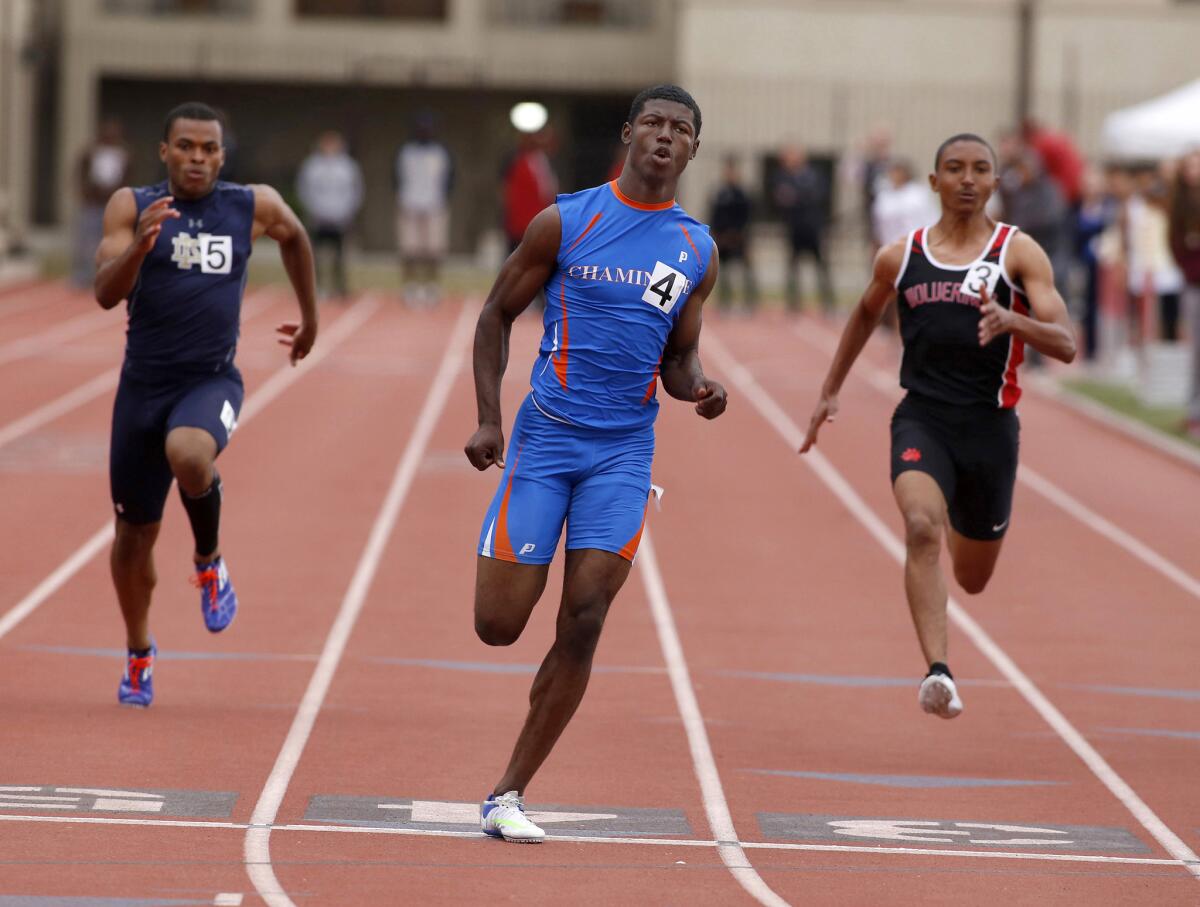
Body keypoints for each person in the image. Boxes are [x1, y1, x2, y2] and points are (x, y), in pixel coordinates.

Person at [465, 84, 726, 843]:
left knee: (584, 618)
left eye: (681, 128)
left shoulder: (695, 249)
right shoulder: (567, 220)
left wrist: (700, 388)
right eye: (654, 123)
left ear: (693, 148)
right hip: (545, 443)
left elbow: (678, 358)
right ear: (628, 133)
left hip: (622, 452)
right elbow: (494, 315)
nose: (666, 136)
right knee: (498, 625)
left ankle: (509, 791)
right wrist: (489, 419)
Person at [800, 133, 1075, 719]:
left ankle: (960, 512)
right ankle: (939, 674)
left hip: (990, 430)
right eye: (954, 168)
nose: (968, 179)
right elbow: (863, 314)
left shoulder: (1017, 254)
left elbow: (1068, 342)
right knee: (921, 526)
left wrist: (1013, 321)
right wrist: (829, 390)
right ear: (934, 182)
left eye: (980, 169)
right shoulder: (901, 256)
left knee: (972, 578)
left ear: (996, 183)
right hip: (922, 418)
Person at [93, 102, 318, 708]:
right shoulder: (131, 206)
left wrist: (311, 319)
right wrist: (138, 249)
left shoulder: (251, 205)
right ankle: (140, 652)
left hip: (210, 380)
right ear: (165, 151)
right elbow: (103, 295)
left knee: (189, 452)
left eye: (209, 148)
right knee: (131, 539)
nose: (198, 158)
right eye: (186, 146)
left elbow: (295, 236)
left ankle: (209, 560)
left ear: (223, 154)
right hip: (142, 388)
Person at [395, 113, 454, 307]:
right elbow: (396, 178)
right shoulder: (405, 152)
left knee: (434, 249)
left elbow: (449, 179)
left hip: (434, 205)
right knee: (409, 249)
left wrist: (442, 200)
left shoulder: (441, 153)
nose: (424, 132)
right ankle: (410, 287)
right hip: (409, 205)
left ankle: (431, 287)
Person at [297, 130, 364, 300]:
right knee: (315, 255)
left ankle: (339, 287)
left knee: (339, 255)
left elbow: (355, 191)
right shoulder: (312, 165)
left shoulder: (348, 166)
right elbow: (304, 189)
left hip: (340, 218)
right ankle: (317, 287)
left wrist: (347, 212)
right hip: (318, 217)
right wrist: (312, 209)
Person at [774, 144, 835, 314]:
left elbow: (818, 195)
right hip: (794, 228)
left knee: (821, 266)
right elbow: (781, 198)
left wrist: (797, 196)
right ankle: (793, 302)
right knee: (793, 266)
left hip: (813, 227)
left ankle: (827, 302)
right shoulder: (782, 177)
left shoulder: (813, 175)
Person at [72, 119, 130, 288]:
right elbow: (80, 171)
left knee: (108, 240)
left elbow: (127, 176)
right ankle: (82, 275)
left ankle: (106, 274)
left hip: (111, 203)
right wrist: (84, 192)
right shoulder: (91, 151)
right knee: (85, 240)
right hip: (92, 202)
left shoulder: (124, 154)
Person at [1168, 148, 1200, 438]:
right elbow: (1176, 242)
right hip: (1194, 285)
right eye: (1189, 165)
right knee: (1196, 351)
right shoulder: (1178, 204)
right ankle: (1194, 412)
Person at [709, 154, 757, 313]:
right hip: (723, 240)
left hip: (739, 239)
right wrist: (718, 235)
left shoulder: (743, 194)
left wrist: (739, 234)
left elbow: (748, 217)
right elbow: (713, 216)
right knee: (723, 272)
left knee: (746, 271)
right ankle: (725, 302)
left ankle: (749, 303)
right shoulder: (720, 194)